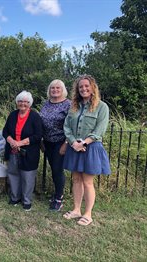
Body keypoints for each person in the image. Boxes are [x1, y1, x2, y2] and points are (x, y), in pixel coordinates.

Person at [62, 75, 110, 226]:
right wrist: (72, 142)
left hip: (91, 148)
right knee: (76, 179)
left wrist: (83, 142)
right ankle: (76, 209)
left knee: (88, 182)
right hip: (74, 147)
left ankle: (88, 214)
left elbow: (99, 130)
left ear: (92, 88)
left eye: (86, 86)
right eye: (81, 87)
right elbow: (67, 126)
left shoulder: (102, 107)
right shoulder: (73, 106)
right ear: (77, 89)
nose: (83, 89)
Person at [2, 91, 43, 211]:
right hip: (13, 151)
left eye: (25, 102)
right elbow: (5, 131)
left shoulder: (35, 116)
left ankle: (27, 200)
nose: (22, 104)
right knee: (13, 174)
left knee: (27, 176)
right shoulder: (13, 115)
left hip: (29, 152)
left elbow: (38, 135)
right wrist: (11, 141)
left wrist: (20, 143)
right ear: (17, 102)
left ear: (29, 103)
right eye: (20, 101)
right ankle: (15, 197)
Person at [40, 79, 71, 211]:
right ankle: (56, 193)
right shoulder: (46, 104)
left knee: (58, 170)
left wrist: (66, 143)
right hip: (47, 142)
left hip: (60, 142)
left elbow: (71, 125)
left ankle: (59, 198)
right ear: (49, 90)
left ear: (63, 89)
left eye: (58, 88)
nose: (55, 90)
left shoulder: (68, 104)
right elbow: (41, 122)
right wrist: (41, 140)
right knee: (53, 169)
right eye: (52, 88)